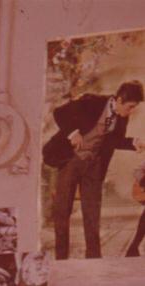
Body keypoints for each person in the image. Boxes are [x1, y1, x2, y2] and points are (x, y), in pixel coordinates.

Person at [44, 79, 145, 260]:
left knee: (92, 214)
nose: (130, 111)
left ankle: (94, 259)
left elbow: (114, 141)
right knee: (62, 211)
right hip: (71, 160)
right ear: (120, 99)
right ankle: (61, 259)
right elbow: (59, 112)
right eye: (130, 107)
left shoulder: (122, 118)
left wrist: (132, 142)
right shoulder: (91, 102)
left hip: (95, 167)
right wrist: (73, 133)